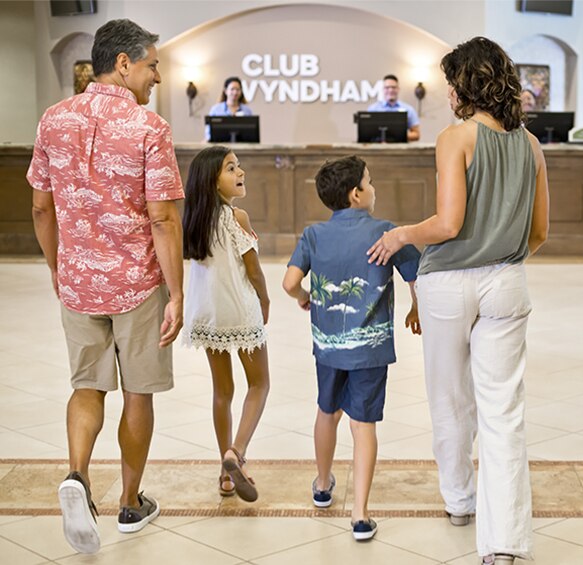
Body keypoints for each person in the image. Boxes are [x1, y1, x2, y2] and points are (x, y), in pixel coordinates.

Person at [367, 37, 550, 565]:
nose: (447, 91)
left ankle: (460, 501)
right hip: (508, 282)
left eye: (451, 81)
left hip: (449, 283)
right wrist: (501, 256)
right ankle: (506, 544)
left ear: (467, 84)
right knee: (504, 411)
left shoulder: (456, 138)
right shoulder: (531, 145)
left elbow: (448, 224)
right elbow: (539, 232)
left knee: (449, 399)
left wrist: (402, 233)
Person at [27, 19, 184, 554]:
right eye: (152, 65)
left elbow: (40, 206)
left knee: (87, 387)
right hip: (137, 284)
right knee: (137, 393)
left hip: (78, 281)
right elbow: (163, 219)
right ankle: (131, 501)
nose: (156, 76)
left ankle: (76, 475)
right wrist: (178, 293)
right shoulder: (149, 128)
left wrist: (57, 266)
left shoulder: (53, 121)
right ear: (124, 64)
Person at [282, 155, 421, 541]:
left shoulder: (313, 235)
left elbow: (289, 282)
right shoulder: (386, 233)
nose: (374, 189)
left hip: (328, 348)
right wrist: (415, 308)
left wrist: (305, 296)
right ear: (356, 194)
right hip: (371, 351)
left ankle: (324, 485)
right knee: (364, 424)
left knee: (327, 411)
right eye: (370, 182)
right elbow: (416, 275)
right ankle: (360, 515)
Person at [182, 146, 270, 502]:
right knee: (260, 384)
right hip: (238, 310)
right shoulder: (237, 218)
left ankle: (225, 473)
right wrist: (264, 300)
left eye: (239, 166)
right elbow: (254, 271)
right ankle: (237, 452)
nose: (240, 172)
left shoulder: (195, 220)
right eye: (231, 168)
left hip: (207, 314)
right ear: (212, 180)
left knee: (222, 392)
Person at [367, 74, 421, 141]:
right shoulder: (373, 109)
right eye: (387, 87)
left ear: (398, 89)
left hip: (400, 150)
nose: (390, 90)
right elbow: (367, 134)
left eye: (393, 87)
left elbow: (416, 134)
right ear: (383, 90)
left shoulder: (409, 110)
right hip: (378, 149)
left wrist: (398, 135)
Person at [205, 76, 253, 141]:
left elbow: (251, 132)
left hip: (242, 147)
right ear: (225, 91)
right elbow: (208, 132)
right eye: (232, 89)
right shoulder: (216, 110)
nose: (235, 92)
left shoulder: (247, 111)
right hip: (220, 147)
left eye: (238, 89)